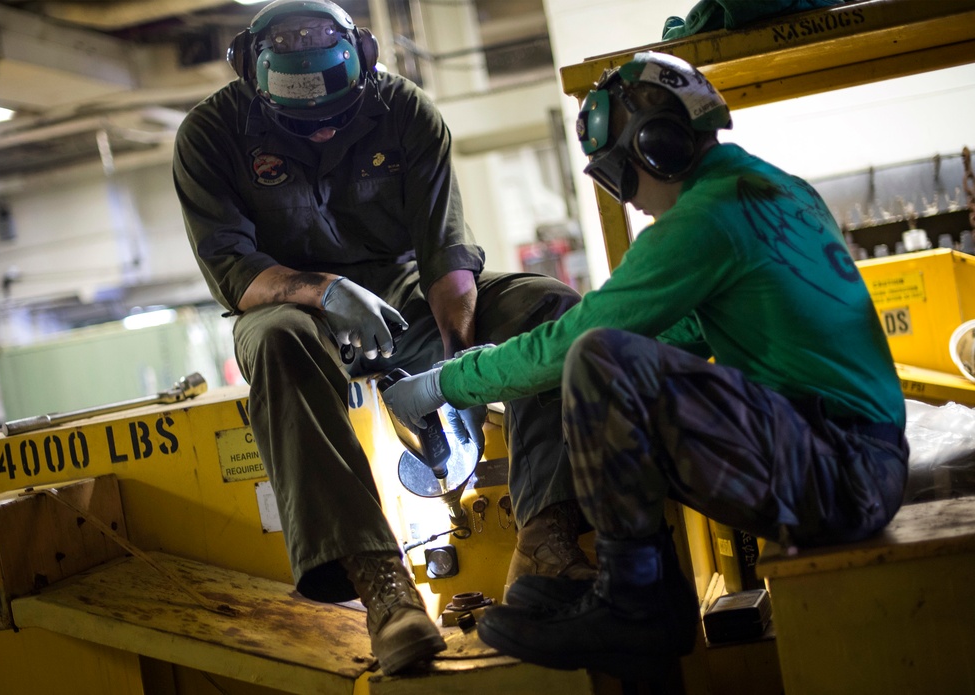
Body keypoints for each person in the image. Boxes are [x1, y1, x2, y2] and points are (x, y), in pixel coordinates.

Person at [382, 51, 909, 679]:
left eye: (618, 178)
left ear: (656, 148)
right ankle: (598, 589)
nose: (630, 202)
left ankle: (637, 602)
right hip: (856, 461)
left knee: (597, 355)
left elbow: (577, 342)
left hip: (838, 476)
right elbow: (685, 336)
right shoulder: (778, 191)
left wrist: (444, 382)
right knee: (604, 364)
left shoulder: (705, 220)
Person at [172, 0, 584, 676]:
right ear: (251, 73)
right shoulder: (210, 133)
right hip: (284, 300)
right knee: (278, 342)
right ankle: (385, 590)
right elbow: (232, 270)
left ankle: (547, 537)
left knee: (546, 305)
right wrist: (323, 290)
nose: (326, 135)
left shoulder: (405, 110)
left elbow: (446, 256)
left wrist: (465, 375)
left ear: (361, 61)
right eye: (308, 128)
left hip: (403, 294)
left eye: (337, 121)